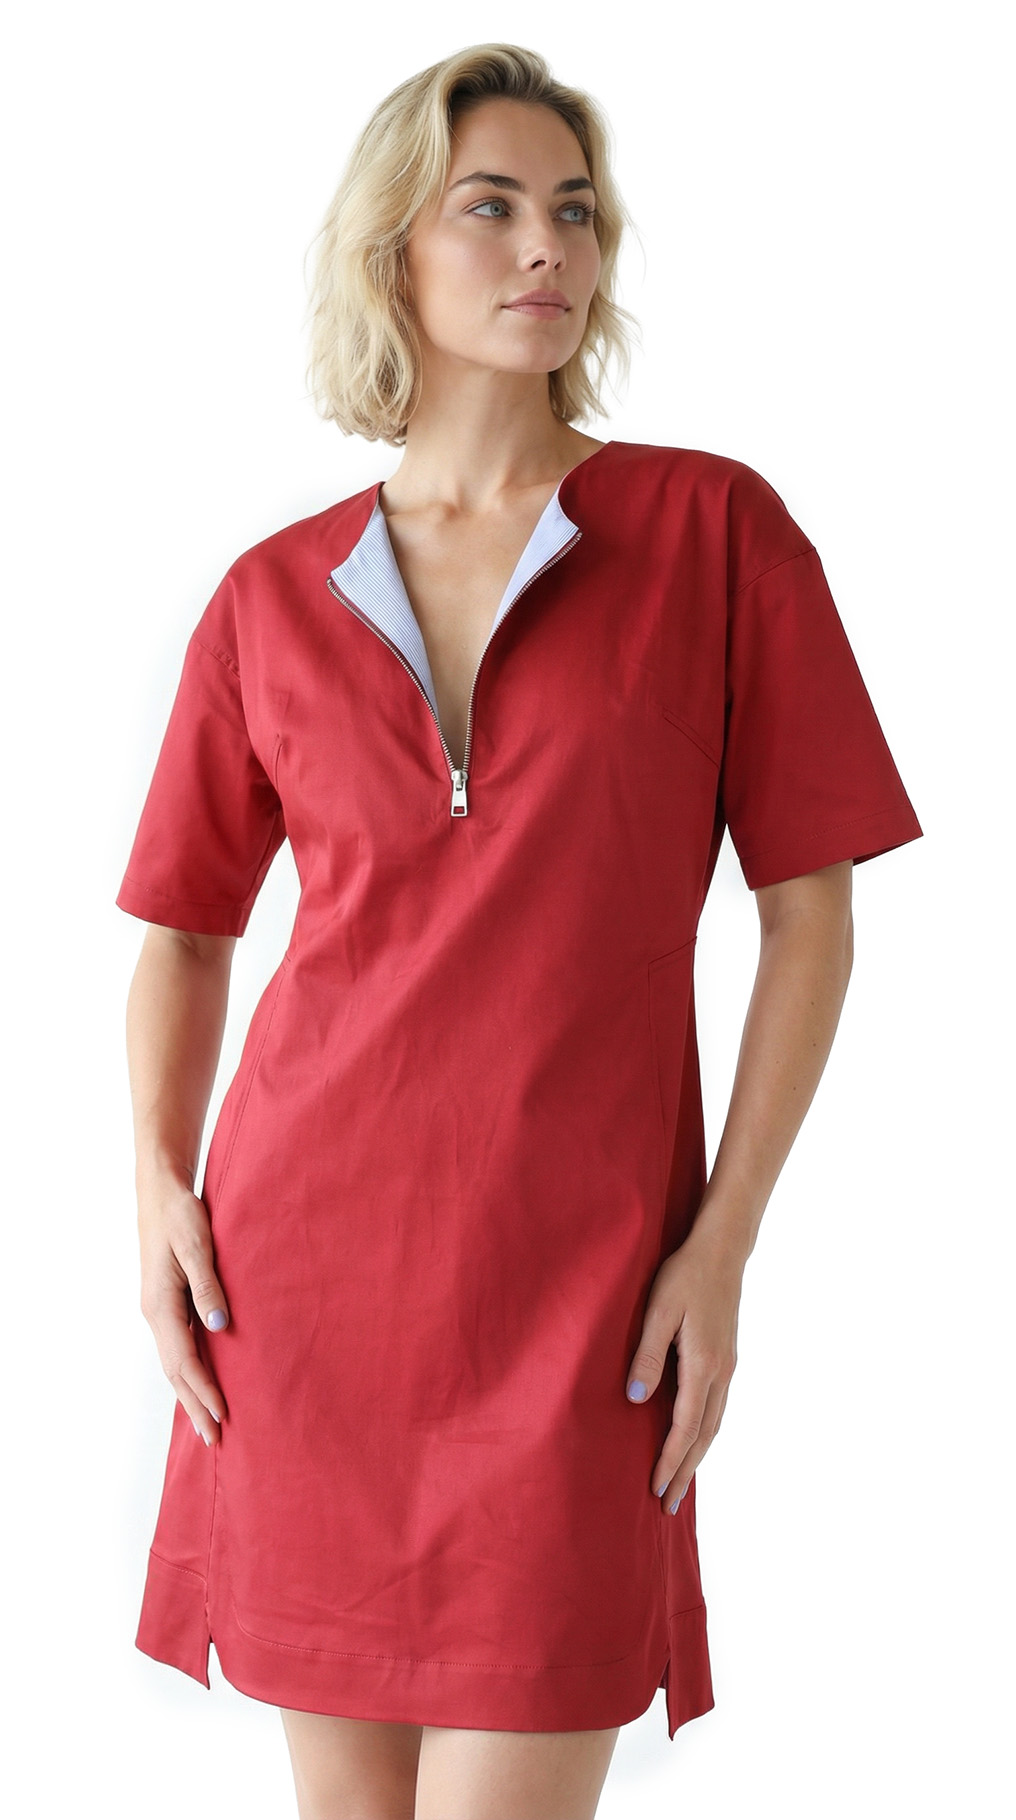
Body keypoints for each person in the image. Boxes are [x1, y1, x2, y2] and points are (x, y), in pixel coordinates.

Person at [115, 41, 924, 1820]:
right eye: (491, 207)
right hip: (306, 1288)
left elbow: (810, 916)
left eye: (575, 209)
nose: (547, 245)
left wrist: (723, 1246)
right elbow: (183, 927)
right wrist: (161, 1191)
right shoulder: (269, 595)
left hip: (588, 1298)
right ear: (391, 249)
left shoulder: (714, 533)